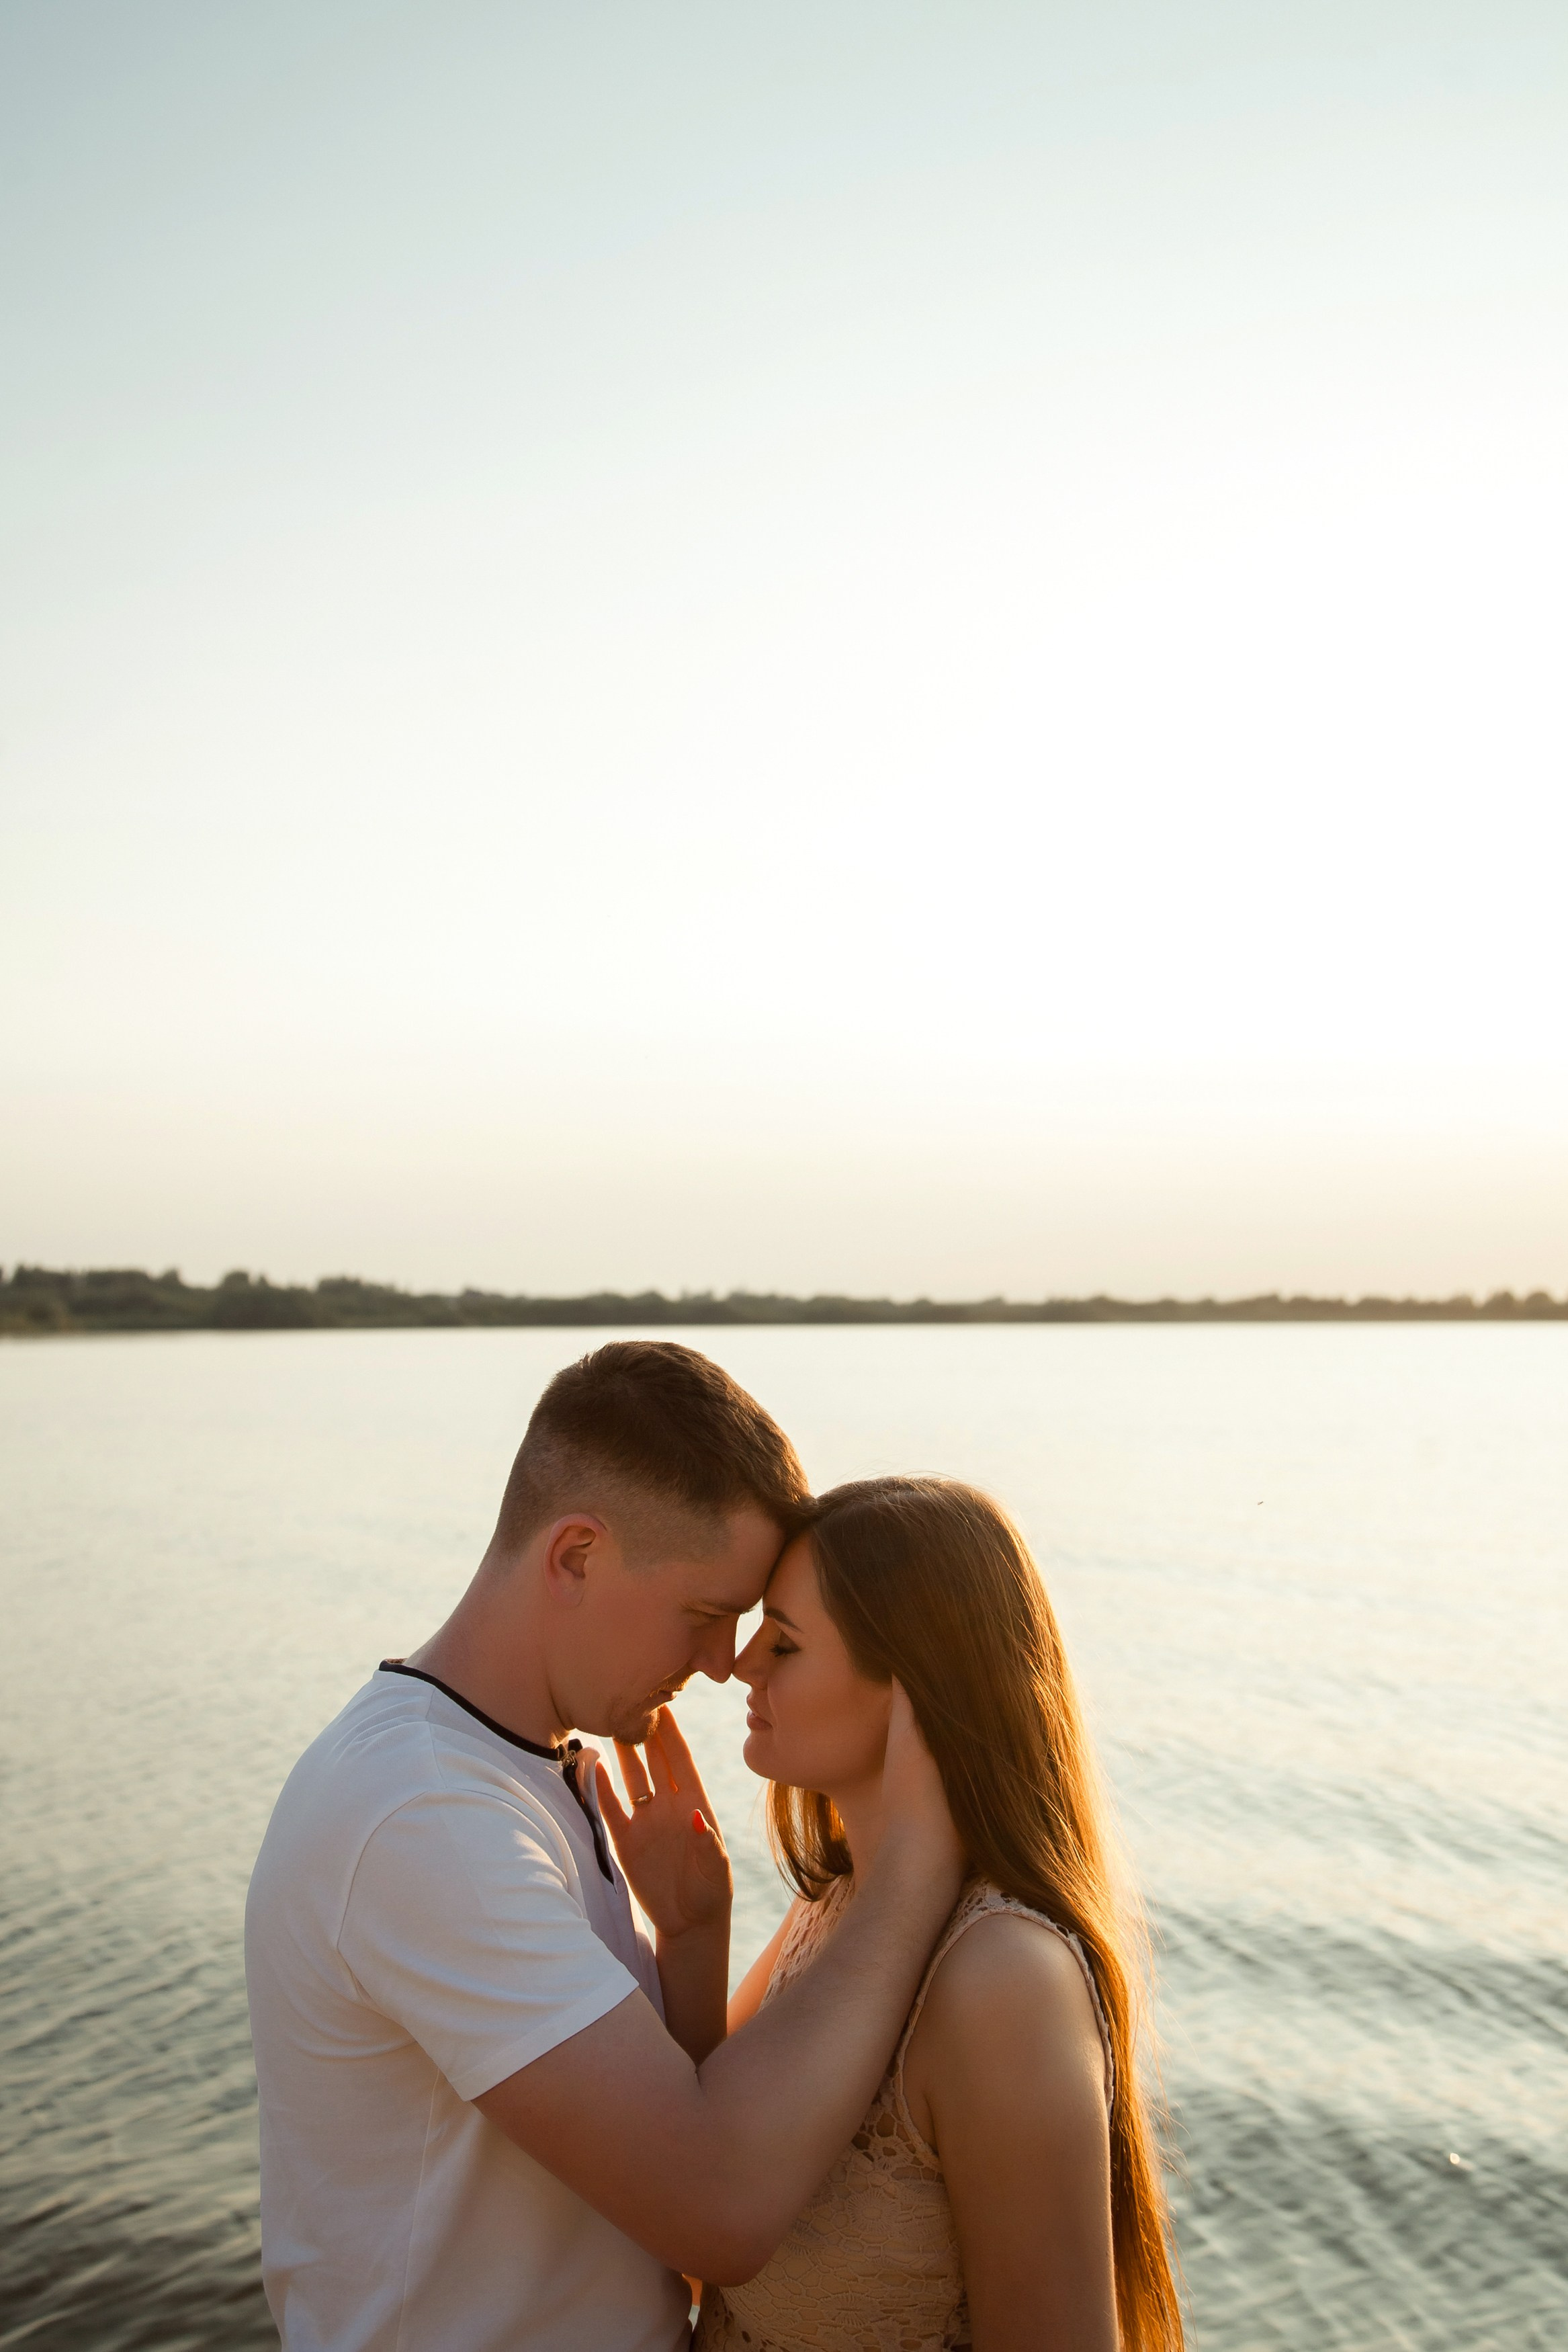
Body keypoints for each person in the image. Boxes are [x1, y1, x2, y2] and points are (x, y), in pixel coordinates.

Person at [245, 1343, 964, 2352]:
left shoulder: (525, 1769)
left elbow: (664, 2165)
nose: (722, 1664)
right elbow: (718, 2216)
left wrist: (692, 1940)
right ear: (576, 1556)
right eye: (706, 1615)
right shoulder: (428, 1815)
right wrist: (919, 1864)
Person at [695, 1475, 1186, 2352]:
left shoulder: (1004, 1980)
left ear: (912, 1686)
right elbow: (693, 2186)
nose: (742, 1663)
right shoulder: (835, 1907)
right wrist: (692, 1933)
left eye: (786, 1641)